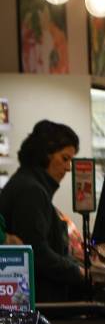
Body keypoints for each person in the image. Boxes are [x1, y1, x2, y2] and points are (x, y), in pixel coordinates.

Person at [0, 121, 85, 301]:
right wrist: (77, 271)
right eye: (64, 158)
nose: (69, 168)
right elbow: (37, 253)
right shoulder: (31, 191)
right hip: (40, 306)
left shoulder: (29, 184)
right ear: (46, 154)